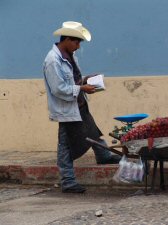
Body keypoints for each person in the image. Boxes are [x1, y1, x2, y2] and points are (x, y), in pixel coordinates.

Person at [43, 21, 121, 193]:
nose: (78, 47)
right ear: (67, 40)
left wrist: (85, 80)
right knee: (66, 145)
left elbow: (72, 80)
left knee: (93, 130)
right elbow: (58, 89)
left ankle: (104, 156)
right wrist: (81, 88)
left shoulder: (70, 55)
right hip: (67, 109)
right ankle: (68, 181)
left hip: (79, 104)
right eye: (76, 42)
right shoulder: (53, 61)